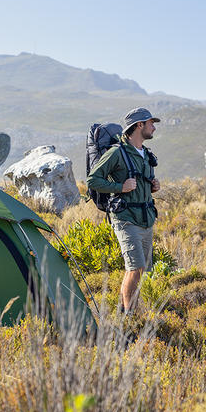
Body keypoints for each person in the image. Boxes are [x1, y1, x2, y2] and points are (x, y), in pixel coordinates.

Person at [86, 107, 161, 314]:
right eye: (150, 123)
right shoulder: (116, 153)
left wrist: (153, 186)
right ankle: (130, 317)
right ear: (139, 125)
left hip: (146, 219)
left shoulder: (146, 154)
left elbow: (141, 183)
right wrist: (120, 187)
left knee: (142, 269)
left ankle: (122, 309)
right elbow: (93, 180)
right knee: (135, 268)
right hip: (126, 219)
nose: (153, 127)